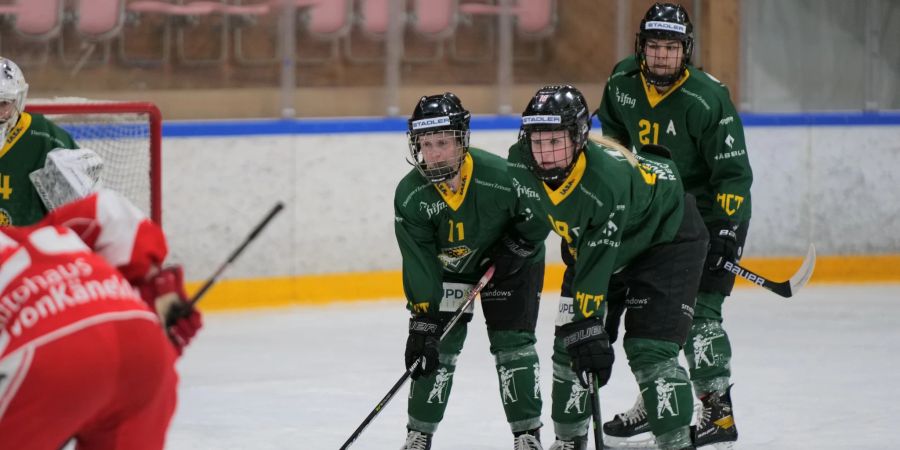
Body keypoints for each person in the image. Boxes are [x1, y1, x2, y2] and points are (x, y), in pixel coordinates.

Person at [506, 84, 708, 450]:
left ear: (579, 137)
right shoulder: (520, 162)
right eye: (538, 141)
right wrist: (521, 239)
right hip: (604, 241)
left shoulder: (605, 184)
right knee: (568, 348)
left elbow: (599, 256)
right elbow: (536, 205)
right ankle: (569, 441)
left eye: (556, 142)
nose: (546, 153)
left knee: (650, 350)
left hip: (666, 236)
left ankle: (676, 443)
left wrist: (586, 323)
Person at [595, 3, 752, 448]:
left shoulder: (707, 98)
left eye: (671, 47)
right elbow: (612, 145)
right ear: (640, 47)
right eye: (654, 46)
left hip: (707, 217)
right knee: (652, 316)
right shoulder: (622, 81)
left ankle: (718, 412)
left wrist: (725, 230)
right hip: (650, 216)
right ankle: (661, 398)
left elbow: (734, 173)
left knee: (700, 315)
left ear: (686, 50)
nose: (662, 56)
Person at [394, 93, 551, 450]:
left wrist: (520, 245)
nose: (434, 153)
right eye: (427, 143)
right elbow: (418, 260)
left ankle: (527, 434)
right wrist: (423, 317)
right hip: (452, 271)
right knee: (436, 346)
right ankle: (419, 434)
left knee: (513, 347)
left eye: (443, 142)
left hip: (510, 266)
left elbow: (541, 208)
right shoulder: (411, 195)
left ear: (461, 140)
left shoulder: (499, 175)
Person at [0, 189, 202, 450]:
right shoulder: (52, 235)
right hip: (143, 344)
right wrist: (153, 289)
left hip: (50, 354)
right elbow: (108, 210)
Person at [0, 57, 86, 226]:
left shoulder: (45, 138)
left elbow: (77, 211)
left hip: (29, 248)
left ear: (19, 100)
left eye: (3, 103)